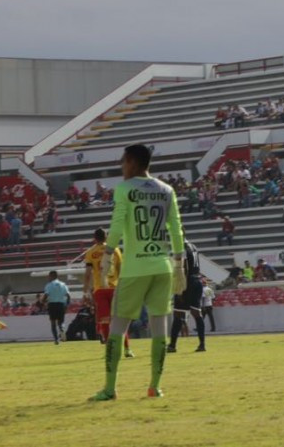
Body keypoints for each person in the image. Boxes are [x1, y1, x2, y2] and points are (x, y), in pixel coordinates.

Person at [90, 143, 185, 402]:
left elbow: (118, 224)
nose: (122, 167)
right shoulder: (167, 190)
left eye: (123, 162)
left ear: (132, 161)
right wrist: (179, 264)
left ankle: (110, 388)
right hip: (162, 266)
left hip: (135, 268)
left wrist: (108, 255)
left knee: (118, 327)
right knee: (159, 329)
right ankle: (155, 386)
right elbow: (176, 230)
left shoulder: (125, 189)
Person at [83, 229, 133, 357]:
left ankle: (110, 351)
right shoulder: (115, 250)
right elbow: (121, 270)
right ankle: (127, 349)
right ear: (106, 237)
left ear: (94, 238)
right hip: (115, 288)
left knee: (104, 320)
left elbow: (88, 273)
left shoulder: (90, 253)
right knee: (119, 320)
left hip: (100, 289)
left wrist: (85, 291)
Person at [168, 240, 206, 353]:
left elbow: (184, 267)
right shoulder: (193, 246)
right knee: (197, 313)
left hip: (188, 281)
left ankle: (172, 345)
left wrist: (181, 289)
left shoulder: (182, 248)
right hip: (197, 280)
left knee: (178, 314)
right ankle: (202, 344)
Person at [44, 270, 71, 345]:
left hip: (52, 304)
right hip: (61, 304)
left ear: (52, 276)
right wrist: (67, 304)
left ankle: (56, 340)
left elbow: (46, 295)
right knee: (61, 322)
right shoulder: (63, 284)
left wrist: (43, 302)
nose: (48, 278)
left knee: (53, 323)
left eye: (49, 276)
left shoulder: (49, 285)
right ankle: (62, 329)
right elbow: (68, 295)